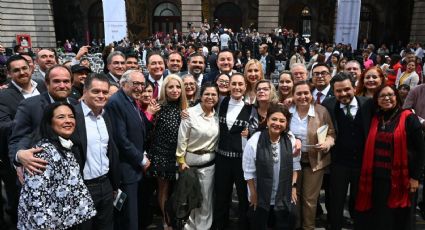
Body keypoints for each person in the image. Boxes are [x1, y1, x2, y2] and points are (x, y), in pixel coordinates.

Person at [17, 102, 96, 229]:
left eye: (71, 116)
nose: (68, 120)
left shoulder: (64, 146)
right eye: (61, 117)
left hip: (65, 221)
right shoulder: (42, 154)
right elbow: (38, 201)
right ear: (49, 122)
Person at [356, 85, 425, 230]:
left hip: (402, 180)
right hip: (378, 179)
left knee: (401, 219)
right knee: (382, 218)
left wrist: (415, 178)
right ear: (377, 100)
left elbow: (421, 151)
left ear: (397, 97)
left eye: (391, 95)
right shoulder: (376, 119)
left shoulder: (409, 118)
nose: (387, 98)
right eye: (382, 96)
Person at [321, 72, 374, 230]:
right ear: (333, 91)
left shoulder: (367, 104)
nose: (343, 94)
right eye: (338, 91)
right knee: (336, 199)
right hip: (339, 163)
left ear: (354, 87)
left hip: (362, 163)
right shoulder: (328, 105)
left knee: (360, 200)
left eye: (346, 89)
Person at [0, 55, 46, 225]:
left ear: (30, 68)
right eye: (16, 70)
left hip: (48, 157)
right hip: (21, 160)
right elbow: (4, 126)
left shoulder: (42, 85)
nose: (22, 72)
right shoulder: (3, 96)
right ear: (9, 73)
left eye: (24, 68)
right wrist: (35, 122)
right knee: (25, 209)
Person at [105, 70, 150, 230]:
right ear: (123, 84)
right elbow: (121, 140)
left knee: (132, 215)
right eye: (135, 84)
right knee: (127, 218)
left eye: (142, 84)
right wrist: (141, 159)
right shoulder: (116, 102)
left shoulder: (130, 100)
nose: (139, 88)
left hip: (133, 168)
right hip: (125, 170)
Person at [243, 104, 300, 230]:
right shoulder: (255, 140)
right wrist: (253, 193)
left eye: (282, 121)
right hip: (260, 193)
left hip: (284, 192)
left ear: (286, 123)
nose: (277, 123)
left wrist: (293, 187)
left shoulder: (290, 140)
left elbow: (295, 165)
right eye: (274, 119)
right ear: (267, 120)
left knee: (285, 221)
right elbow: (248, 171)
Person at [289, 81, 335, 230]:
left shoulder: (321, 111)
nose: (303, 96)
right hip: (291, 161)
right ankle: (296, 225)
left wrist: (327, 143)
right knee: (294, 197)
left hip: (315, 161)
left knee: (309, 199)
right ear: (293, 95)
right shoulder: (288, 111)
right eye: (299, 93)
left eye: (306, 93)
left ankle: (308, 227)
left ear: (311, 94)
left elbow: (331, 133)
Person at [176, 82, 220, 230]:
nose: (210, 97)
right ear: (200, 96)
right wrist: (181, 161)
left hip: (209, 165)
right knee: (190, 198)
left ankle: (203, 227)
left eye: (214, 94)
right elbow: (182, 139)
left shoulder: (217, 116)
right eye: (207, 94)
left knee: (205, 200)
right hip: (189, 164)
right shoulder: (189, 114)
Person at [148, 74, 187, 230]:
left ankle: (178, 219)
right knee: (163, 190)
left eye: (178, 87)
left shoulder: (185, 108)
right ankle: (166, 221)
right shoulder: (157, 105)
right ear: (164, 89)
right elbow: (148, 128)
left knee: (177, 190)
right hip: (160, 154)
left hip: (179, 156)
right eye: (171, 87)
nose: (175, 90)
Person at [214, 73, 252, 230]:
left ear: (245, 87)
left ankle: (244, 226)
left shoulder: (251, 108)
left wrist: (251, 132)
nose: (237, 87)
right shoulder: (220, 103)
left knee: (244, 198)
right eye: (234, 84)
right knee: (221, 197)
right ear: (229, 86)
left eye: (240, 84)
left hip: (241, 161)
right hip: (222, 158)